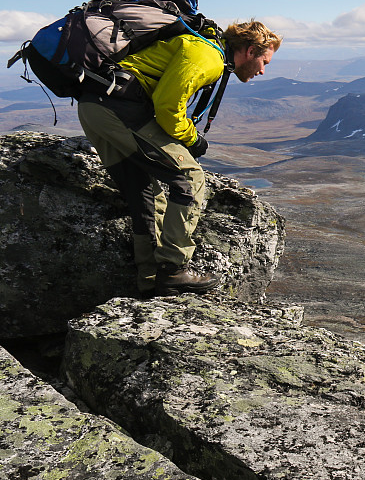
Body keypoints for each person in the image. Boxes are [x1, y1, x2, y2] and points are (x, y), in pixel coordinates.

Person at [77, 20, 282, 296]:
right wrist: (191, 139)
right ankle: (173, 270)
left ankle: (149, 282)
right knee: (189, 178)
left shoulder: (202, 50)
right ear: (248, 50)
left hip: (95, 108)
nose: (262, 70)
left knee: (146, 194)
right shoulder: (208, 56)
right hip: (119, 109)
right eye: (264, 61)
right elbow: (167, 106)